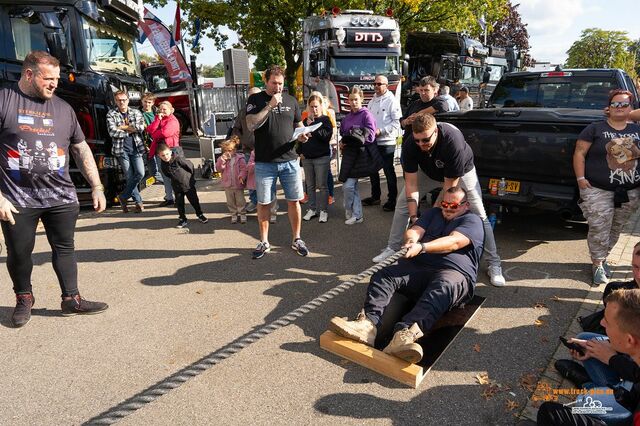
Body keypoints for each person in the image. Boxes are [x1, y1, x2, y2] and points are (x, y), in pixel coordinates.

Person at [0, 50, 108, 327]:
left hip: (60, 196)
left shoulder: (63, 108)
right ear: (28, 74)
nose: (54, 84)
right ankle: (24, 298)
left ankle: (72, 299)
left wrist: (96, 186)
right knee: (20, 252)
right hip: (16, 198)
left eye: (57, 79)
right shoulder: (4, 100)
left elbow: (80, 148)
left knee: (65, 248)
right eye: (48, 79)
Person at [329, 186, 484, 363]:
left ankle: (405, 335)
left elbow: (455, 242)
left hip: (453, 272)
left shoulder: (472, 220)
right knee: (385, 274)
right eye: (445, 204)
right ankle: (367, 325)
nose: (448, 208)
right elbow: (415, 230)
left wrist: (423, 247)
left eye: (454, 205)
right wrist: (411, 241)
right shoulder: (433, 213)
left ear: (465, 205)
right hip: (419, 267)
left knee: (444, 286)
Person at [372, 113, 506, 287]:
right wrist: (415, 220)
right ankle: (393, 247)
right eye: (418, 140)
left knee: (480, 214)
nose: (421, 145)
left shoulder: (452, 141)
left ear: (435, 131)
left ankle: (494, 263)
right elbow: (411, 184)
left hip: (461, 174)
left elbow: (448, 190)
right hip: (428, 171)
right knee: (402, 203)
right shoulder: (410, 144)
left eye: (425, 140)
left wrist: (429, 221)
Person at [536, 289, 640, 426]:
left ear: (629, 340)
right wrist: (610, 353)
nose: (601, 323)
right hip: (631, 387)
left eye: (607, 322)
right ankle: (597, 387)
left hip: (630, 409)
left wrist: (610, 358)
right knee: (588, 340)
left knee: (583, 402)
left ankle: (588, 385)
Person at [573, 89, 640, 286]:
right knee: (599, 226)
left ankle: (603, 256)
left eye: (624, 104)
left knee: (616, 227)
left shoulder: (637, 129)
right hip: (597, 189)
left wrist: (627, 112)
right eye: (615, 104)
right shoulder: (595, 128)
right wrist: (581, 179)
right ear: (607, 108)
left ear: (632, 107)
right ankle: (597, 263)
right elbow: (579, 153)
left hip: (629, 191)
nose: (620, 108)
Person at [245, 65, 310, 259]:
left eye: (281, 83)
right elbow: (251, 124)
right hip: (265, 162)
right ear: (266, 81)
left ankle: (297, 238)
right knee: (264, 202)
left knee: (294, 201)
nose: (278, 87)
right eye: (274, 83)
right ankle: (264, 241)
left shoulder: (291, 100)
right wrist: (270, 105)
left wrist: (303, 135)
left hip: (289, 160)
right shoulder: (255, 99)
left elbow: (298, 125)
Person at [338, 86, 379, 225]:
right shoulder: (347, 117)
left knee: (349, 186)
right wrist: (342, 142)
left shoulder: (367, 115)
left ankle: (352, 212)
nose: (353, 102)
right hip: (349, 155)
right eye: (351, 100)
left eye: (356, 99)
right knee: (349, 186)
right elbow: (343, 134)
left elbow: (371, 137)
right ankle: (356, 214)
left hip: (361, 156)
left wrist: (355, 137)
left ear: (361, 99)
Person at [363, 75, 402, 212]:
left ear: (387, 85)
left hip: (386, 142)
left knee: (388, 171)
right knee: (373, 170)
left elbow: (397, 122)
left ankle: (392, 200)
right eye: (375, 84)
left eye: (379, 84)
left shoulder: (392, 101)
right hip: (373, 141)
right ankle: (375, 197)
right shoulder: (372, 100)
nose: (376, 86)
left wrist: (382, 131)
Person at [106, 90, 147, 213]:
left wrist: (123, 127)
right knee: (129, 176)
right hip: (121, 150)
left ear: (128, 100)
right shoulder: (111, 113)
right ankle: (138, 202)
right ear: (115, 101)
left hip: (136, 148)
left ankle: (123, 196)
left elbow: (140, 128)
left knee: (140, 173)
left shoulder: (136, 112)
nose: (122, 102)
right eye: (119, 100)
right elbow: (112, 132)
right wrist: (130, 129)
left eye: (124, 100)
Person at [298, 93, 333, 223]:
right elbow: (300, 138)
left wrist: (313, 128)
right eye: (312, 107)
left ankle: (323, 211)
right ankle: (312, 209)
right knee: (310, 185)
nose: (314, 109)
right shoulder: (304, 121)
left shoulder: (325, 120)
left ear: (321, 106)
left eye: (316, 106)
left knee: (322, 185)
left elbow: (326, 137)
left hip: (321, 157)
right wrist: (299, 151)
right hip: (307, 157)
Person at [156, 143, 207, 229]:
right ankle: (182, 218)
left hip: (188, 185)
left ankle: (200, 214)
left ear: (170, 152)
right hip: (176, 187)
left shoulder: (178, 159)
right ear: (159, 156)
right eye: (163, 155)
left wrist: (190, 178)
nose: (166, 157)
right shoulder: (163, 164)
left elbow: (190, 166)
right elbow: (166, 174)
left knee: (194, 201)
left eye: (167, 154)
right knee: (179, 204)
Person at [232, 86, 262, 212]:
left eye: (256, 95)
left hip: (264, 151)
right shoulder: (243, 111)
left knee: (265, 178)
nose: (253, 98)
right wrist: (242, 140)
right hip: (248, 150)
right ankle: (254, 201)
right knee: (250, 178)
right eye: (251, 96)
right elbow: (236, 129)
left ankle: (267, 203)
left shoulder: (267, 110)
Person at [148, 101, 182, 207]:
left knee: (174, 176)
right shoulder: (159, 119)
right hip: (161, 150)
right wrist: (158, 119)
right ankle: (169, 197)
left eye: (164, 109)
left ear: (171, 110)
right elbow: (150, 129)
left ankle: (178, 198)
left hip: (172, 151)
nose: (162, 111)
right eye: (160, 109)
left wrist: (155, 134)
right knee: (165, 175)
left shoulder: (173, 120)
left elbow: (165, 133)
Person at [216, 137, 248, 224]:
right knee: (230, 201)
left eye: (232, 149)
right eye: (228, 150)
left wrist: (242, 176)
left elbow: (244, 169)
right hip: (227, 184)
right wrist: (222, 160)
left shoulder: (240, 158)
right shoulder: (222, 159)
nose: (230, 152)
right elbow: (219, 169)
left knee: (240, 200)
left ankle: (242, 213)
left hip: (238, 184)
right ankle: (233, 214)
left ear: (235, 149)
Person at [141, 92, 162, 183]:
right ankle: (157, 178)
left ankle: (164, 179)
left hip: (159, 140)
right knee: (151, 163)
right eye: (145, 101)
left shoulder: (157, 111)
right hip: (147, 142)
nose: (147, 104)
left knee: (161, 162)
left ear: (153, 102)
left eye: (149, 102)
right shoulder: (138, 113)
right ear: (141, 101)